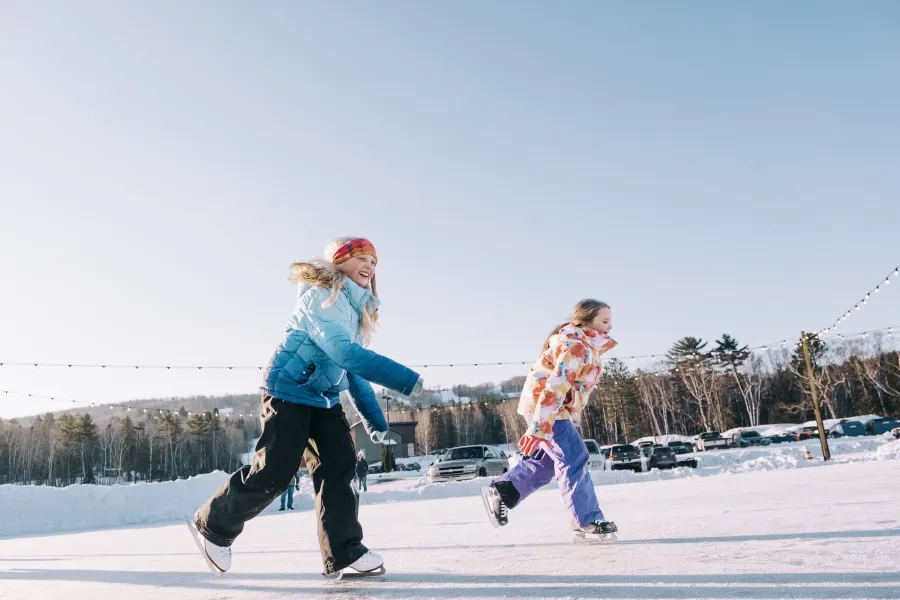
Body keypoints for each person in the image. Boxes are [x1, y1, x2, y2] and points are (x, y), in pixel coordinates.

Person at [190, 237, 423, 578]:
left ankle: (344, 552)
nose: (370, 267)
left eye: (374, 263)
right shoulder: (323, 297)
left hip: (324, 398)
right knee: (276, 469)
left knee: (339, 470)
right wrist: (405, 379)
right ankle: (214, 525)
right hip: (288, 389)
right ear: (339, 262)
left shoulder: (356, 314)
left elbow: (353, 373)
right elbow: (344, 355)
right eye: (362, 258)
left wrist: (375, 420)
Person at [481, 299, 619, 540]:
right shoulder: (578, 346)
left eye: (610, 321)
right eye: (604, 321)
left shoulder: (587, 346)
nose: (610, 326)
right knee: (574, 456)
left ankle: (503, 491)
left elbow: (570, 391)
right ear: (585, 322)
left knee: (546, 464)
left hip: (552, 410)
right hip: (545, 408)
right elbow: (554, 388)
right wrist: (539, 427)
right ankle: (586, 519)